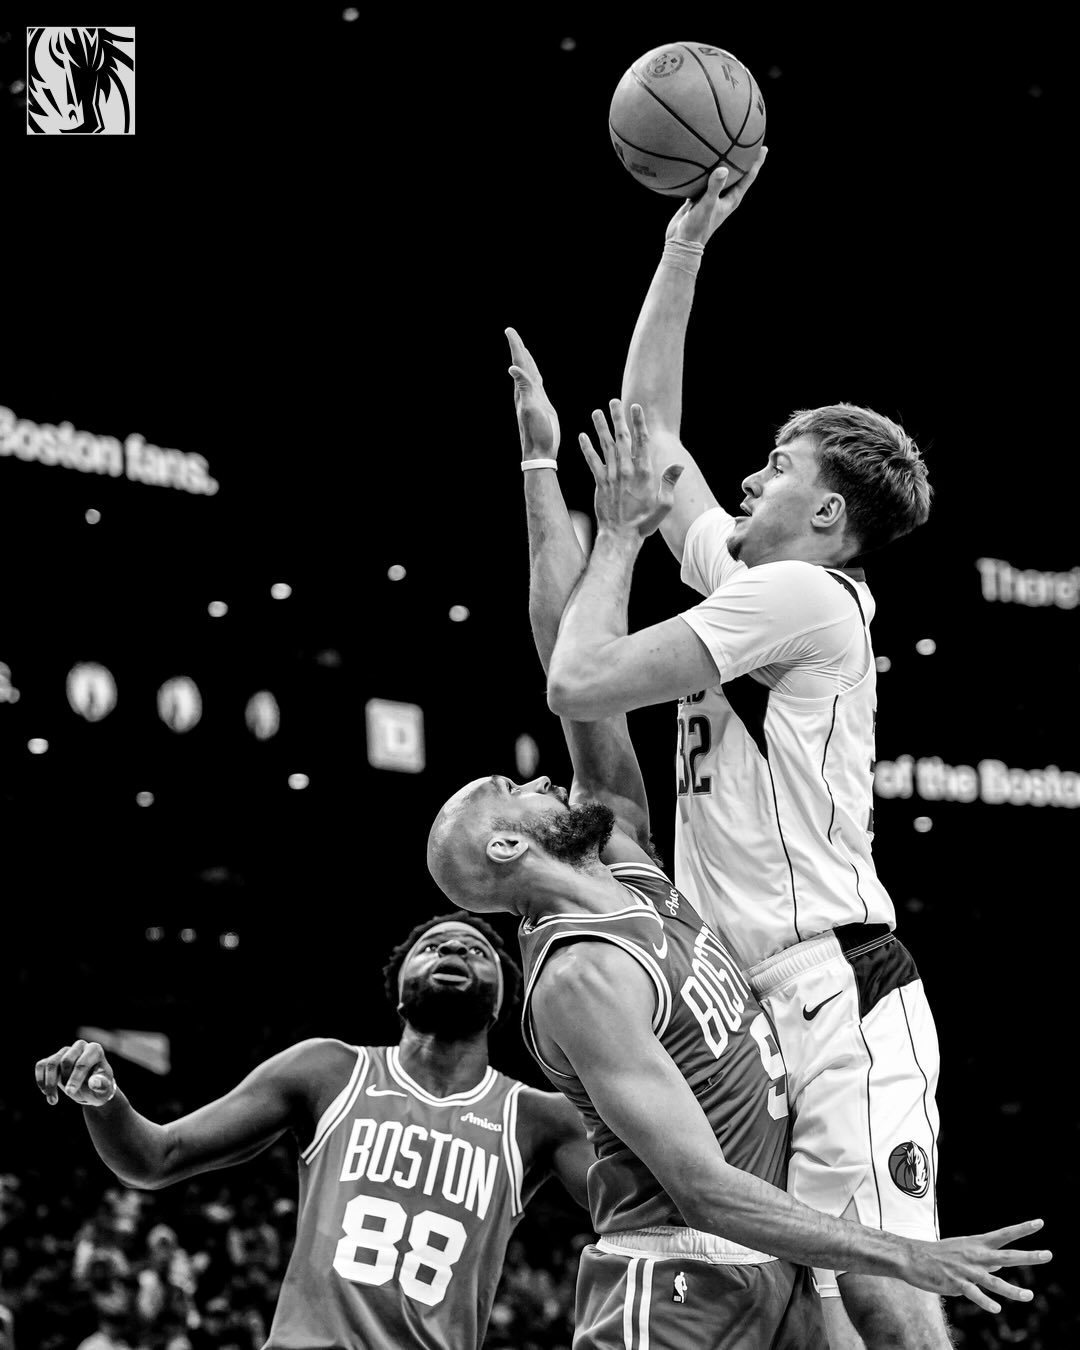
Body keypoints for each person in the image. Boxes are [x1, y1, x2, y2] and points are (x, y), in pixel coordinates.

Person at [422, 352, 1050, 1348]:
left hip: (813, 1028)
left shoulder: (629, 868)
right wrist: (909, 1255)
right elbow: (573, 676)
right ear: (506, 843)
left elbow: (563, 649)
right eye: (512, 789)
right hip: (673, 1270)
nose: (538, 781)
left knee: (865, 1314)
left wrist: (541, 467)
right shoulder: (583, 968)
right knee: (866, 1302)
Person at [539, 149, 957, 1350]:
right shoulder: (757, 581)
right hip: (754, 994)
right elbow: (655, 440)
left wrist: (619, 541)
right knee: (808, 1312)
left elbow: (576, 679)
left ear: (827, 514)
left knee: (884, 1291)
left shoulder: (805, 600)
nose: (744, 477)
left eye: (777, 467)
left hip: (834, 986)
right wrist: (684, 248)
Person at [34, 914, 593, 1350]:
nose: (451, 950)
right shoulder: (329, 1071)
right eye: (431, 946)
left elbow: (632, 1214)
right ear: (399, 990)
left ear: (502, 1001)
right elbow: (155, 1158)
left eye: (475, 950)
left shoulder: (537, 1117)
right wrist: (106, 1102)